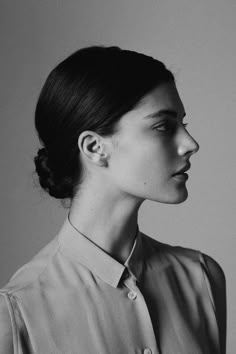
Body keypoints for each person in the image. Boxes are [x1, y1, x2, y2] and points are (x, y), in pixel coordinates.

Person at [0, 46, 226, 354]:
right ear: (94, 147)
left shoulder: (201, 278)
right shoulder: (17, 313)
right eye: (163, 126)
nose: (190, 143)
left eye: (184, 124)